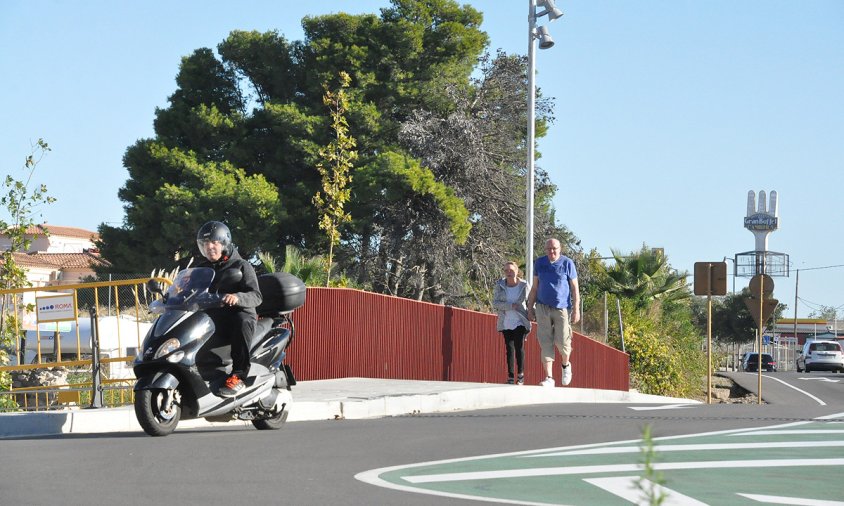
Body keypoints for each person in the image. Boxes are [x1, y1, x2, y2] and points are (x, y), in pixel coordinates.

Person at [195, 221, 262, 397]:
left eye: (214, 242)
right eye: (205, 244)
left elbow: (256, 295)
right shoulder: (201, 269)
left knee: (242, 320)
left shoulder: (241, 265)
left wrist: (237, 297)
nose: (209, 247)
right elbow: (189, 292)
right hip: (215, 317)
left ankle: (239, 376)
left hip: (236, 316)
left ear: (224, 243)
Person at [526, 238, 580, 387]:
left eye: (554, 248)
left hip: (562, 307)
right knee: (545, 341)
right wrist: (530, 308)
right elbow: (535, 287)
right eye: (548, 249)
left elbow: (575, 288)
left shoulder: (567, 263)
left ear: (560, 248)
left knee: (562, 341)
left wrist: (576, 309)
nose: (551, 252)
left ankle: (565, 365)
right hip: (542, 307)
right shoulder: (540, 263)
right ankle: (549, 377)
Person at [493, 261, 530, 385]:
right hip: (506, 321)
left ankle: (520, 374)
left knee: (519, 347)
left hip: (520, 320)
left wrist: (532, 313)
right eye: (506, 270)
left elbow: (530, 301)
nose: (509, 272)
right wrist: (509, 306)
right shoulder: (500, 285)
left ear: (517, 271)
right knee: (509, 348)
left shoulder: (524, 285)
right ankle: (510, 376)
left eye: (511, 270)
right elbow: (495, 303)